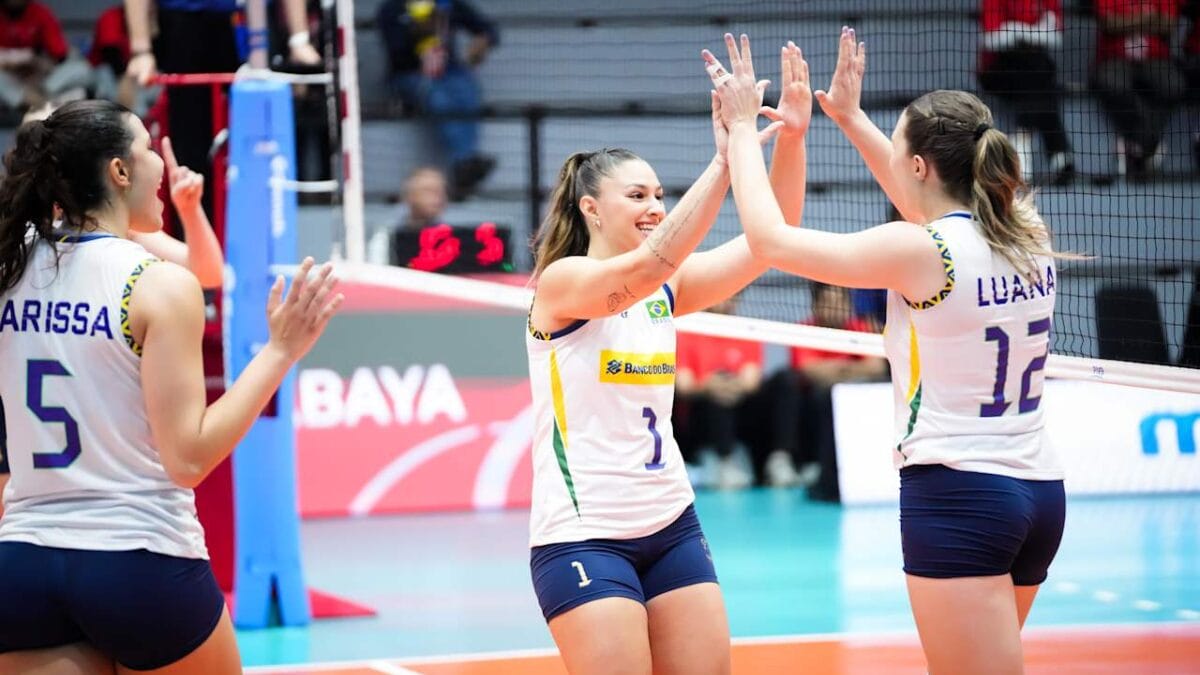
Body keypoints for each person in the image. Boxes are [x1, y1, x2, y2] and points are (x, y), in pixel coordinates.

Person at [710, 30, 1067, 674]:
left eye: (898, 144)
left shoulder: (919, 251)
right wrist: (847, 117)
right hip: (1039, 491)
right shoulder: (1026, 231)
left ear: (921, 165)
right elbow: (925, 200)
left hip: (961, 493)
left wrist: (741, 130)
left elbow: (767, 241)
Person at [0, 100, 341, 673]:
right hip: (138, 562)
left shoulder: (10, 269)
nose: (163, 161)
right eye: (148, 146)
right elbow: (188, 458)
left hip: (23, 564)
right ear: (119, 171)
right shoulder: (152, 282)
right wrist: (281, 351)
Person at [524, 41, 809, 674]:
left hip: (672, 526)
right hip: (584, 536)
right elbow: (655, 262)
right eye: (638, 196)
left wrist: (789, 137)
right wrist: (728, 151)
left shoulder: (667, 290)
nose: (655, 206)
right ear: (591, 208)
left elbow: (775, 238)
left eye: (659, 193)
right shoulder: (562, 283)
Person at [376, 0, 499, 199]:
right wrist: (418, 32)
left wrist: (484, 39)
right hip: (409, 73)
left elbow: (488, 28)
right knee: (438, 96)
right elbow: (396, 53)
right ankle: (464, 163)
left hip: (449, 71)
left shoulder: (446, 5)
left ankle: (465, 162)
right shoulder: (392, 9)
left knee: (467, 89)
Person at [783, 282, 886, 500]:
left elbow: (877, 366)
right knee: (803, 389)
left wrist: (836, 370)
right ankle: (811, 464)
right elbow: (808, 370)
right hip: (813, 403)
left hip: (852, 398)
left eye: (840, 301)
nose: (835, 306)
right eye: (829, 302)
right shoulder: (803, 330)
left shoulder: (860, 327)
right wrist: (852, 369)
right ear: (816, 305)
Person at [977, 0, 1075, 185]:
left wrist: (1015, 30)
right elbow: (993, 39)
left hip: (1034, 72)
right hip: (996, 71)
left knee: (1036, 69)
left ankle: (1022, 137)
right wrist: (1034, 32)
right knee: (1038, 71)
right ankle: (1059, 153)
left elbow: (1054, 36)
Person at [1089, 0, 1186, 178]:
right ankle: (1146, 144)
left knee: (1174, 84)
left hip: (1155, 58)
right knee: (1111, 82)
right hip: (1114, 57)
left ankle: (1137, 144)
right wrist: (1147, 18)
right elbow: (1108, 23)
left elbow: (1168, 24)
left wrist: (1126, 21)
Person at [0, 0, 90, 114]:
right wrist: (12, 61)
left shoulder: (40, 12)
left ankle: (41, 100)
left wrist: (38, 62)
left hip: (41, 79)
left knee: (82, 68)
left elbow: (60, 54)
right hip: (12, 80)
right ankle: (34, 103)